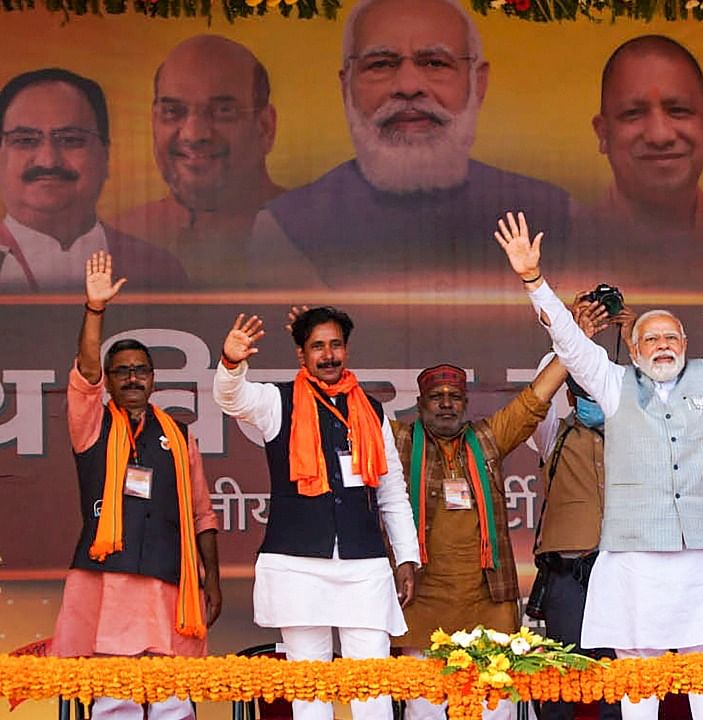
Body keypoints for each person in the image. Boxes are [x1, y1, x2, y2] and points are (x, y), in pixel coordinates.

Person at [495, 192, 703, 720]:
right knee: (636, 681)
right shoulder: (615, 384)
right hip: (637, 554)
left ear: (685, 341)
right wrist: (534, 281)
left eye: (671, 336)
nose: (662, 345)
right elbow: (572, 346)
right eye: (651, 338)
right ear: (636, 348)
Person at [249, 0, 570, 290]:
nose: (408, 86)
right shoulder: (285, 229)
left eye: (434, 63)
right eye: (381, 64)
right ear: (347, 86)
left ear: (478, 82)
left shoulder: (554, 214)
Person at [214, 307, 420, 720]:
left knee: (372, 682)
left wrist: (407, 557)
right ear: (301, 355)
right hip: (297, 565)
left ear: (347, 349)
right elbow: (232, 399)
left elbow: (392, 491)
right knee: (309, 685)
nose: (328, 355)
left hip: (363, 563)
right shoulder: (277, 401)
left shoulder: (373, 411)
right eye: (317, 346)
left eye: (336, 345)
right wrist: (231, 363)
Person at [50, 250, 220, 720]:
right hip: (112, 582)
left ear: (153, 379)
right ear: (108, 381)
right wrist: (95, 310)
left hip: (171, 582)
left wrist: (213, 579)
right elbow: (82, 377)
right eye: (120, 371)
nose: (131, 378)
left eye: (139, 370)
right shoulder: (92, 425)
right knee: (115, 702)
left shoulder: (179, 435)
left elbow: (203, 514)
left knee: (171, 703)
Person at [393, 359, 565, 720]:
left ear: (466, 403)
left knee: (495, 708)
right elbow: (351, 417)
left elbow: (533, 401)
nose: (445, 403)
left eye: (454, 396)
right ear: (420, 403)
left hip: (487, 599)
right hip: (424, 601)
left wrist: (572, 343)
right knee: (424, 710)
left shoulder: (487, 439)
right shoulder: (400, 441)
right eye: (436, 396)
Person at [567, 34, 703, 290]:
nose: (660, 135)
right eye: (633, 113)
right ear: (603, 133)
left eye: (678, 110)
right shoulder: (562, 248)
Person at [110, 35, 295, 288]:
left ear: (265, 127)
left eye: (222, 111)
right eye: (173, 112)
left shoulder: (311, 236)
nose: (193, 134)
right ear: (154, 122)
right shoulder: (115, 242)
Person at [528, 299, 630, 720]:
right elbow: (540, 392)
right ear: (570, 393)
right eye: (581, 392)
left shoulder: (637, 433)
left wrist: (630, 337)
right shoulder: (552, 433)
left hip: (624, 573)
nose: (591, 399)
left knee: (618, 685)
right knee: (559, 684)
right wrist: (570, 335)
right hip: (569, 574)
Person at [0, 68, 186, 292]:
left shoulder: (157, 269)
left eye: (70, 140)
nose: (48, 160)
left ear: (105, 155)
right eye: (26, 140)